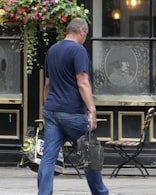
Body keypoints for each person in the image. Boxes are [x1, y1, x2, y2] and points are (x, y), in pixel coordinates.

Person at [37, 18, 108, 195]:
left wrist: (47, 107)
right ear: (82, 31)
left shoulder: (52, 50)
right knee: (90, 153)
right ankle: (100, 192)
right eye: (86, 34)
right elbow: (82, 82)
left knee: (48, 157)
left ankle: (43, 193)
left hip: (52, 110)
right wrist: (92, 109)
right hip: (73, 112)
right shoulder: (78, 50)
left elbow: (47, 83)